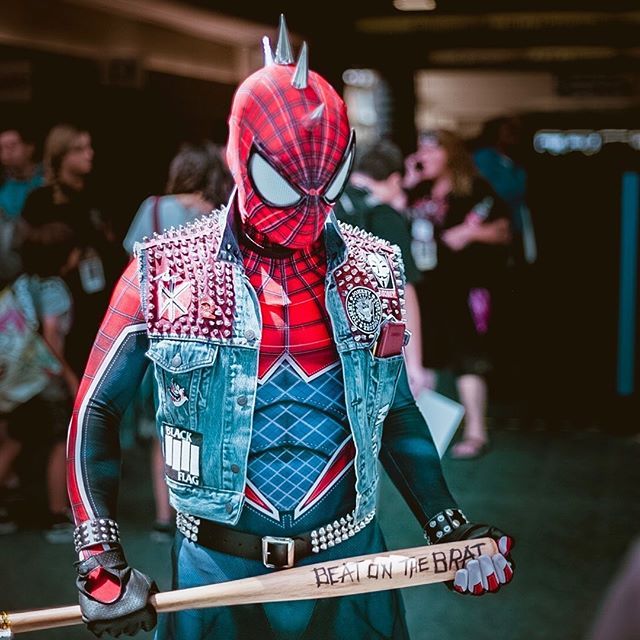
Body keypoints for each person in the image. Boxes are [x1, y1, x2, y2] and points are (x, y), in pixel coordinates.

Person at [66, 17, 514, 640]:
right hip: (216, 569)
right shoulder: (164, 270)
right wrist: (98, 556)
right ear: (239, 154)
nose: (309, 208)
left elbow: (394, 410)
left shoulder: (371, 267)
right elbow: (95, 411)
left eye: (326, 182)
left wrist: (448, 529)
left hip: (349, 562)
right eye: (283, 183)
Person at [123, 142, 232, 542]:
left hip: (161, 334)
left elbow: (132, 273)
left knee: (161, 424)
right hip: (208, 332)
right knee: (207, 421)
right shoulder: (221, 216)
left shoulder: (152, 208)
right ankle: (202, 507)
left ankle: (163, 516)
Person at [404, 130, 511, 459]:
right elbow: (395, 215)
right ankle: (428, 435)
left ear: (450, 154)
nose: (425, 155)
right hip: (425, 287)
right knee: (426, 358)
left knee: (468, 358)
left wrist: (470, 232)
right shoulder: (418, 190)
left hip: (463, 286)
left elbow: (505, 230)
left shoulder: (473, 189)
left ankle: (477, 433)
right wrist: (409, 178)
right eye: (421, 149)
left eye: (431, 150)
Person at [21, 124, 125, 376]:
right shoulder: (40, 201)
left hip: (98, 301)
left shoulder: (98, 194)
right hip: (60, 309)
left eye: (89, 147)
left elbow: (113, 247)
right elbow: (31, 258)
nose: (88, 154)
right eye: (79, 149)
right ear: (61, 156)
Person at [334, 139, 433, 395]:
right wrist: (415, 364)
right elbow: (404, 291)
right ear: (393, 179)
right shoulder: (385, 217)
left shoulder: (329, 206)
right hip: (372, 347)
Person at [0, 232, 79, 540]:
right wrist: (70, 378)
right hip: (40, 380)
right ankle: (58, 514)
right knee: (59, 442)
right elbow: (51, 337)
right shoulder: (54, 289)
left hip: (15, 377)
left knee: (15, 439)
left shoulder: (22, 283)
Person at [0, 123, 45, 284]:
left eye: (12, 146)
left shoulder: (47, 179)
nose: (6, 153)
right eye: (2, 148)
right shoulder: (3, 184)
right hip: (11, 267)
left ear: (29, 147)